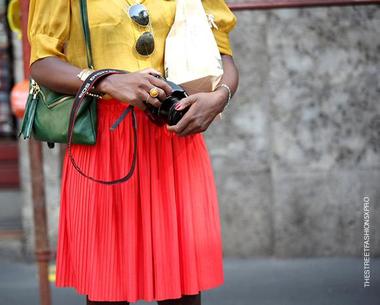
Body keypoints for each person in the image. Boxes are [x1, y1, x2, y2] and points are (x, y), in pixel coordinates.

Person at [28, 0, 239, 304]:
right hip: (106, 144)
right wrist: (107, 80)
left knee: (182, 290)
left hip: (174, 137)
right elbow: (42, 63)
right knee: (108, 289)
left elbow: (223, 57)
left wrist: (220, 97)